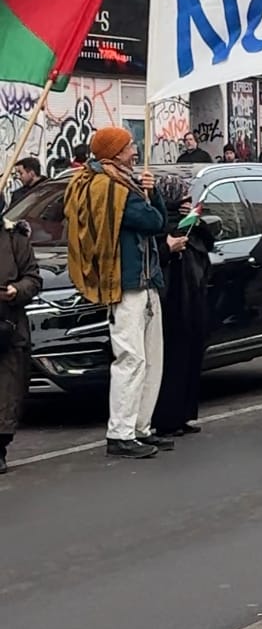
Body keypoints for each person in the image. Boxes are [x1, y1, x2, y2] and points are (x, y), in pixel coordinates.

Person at [64, 127, 171, 458]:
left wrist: (152, 195)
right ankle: (121, 432)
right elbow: (154, 222)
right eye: (129, 147)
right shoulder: (110, 188)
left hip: (143, 281)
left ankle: (140, 427)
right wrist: (152, 198)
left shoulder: (122, 183)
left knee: (151, 358)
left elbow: (157, 222)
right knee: (131, 359)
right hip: (125, 285)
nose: (135, 151)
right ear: (113, 153)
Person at [151, 194, 216, 439]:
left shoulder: (191, 224)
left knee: (191, 358)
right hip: (172, 300)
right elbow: (158, 255)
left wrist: (196, 221)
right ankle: (167, 418)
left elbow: (208, 243)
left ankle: (184, 414)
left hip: (193, 298)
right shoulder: (159, 225)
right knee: (172, 362)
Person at [0, 187, 39, 474]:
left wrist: (17, 290)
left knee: (6, 392)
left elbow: (33, 278)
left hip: (7, 328)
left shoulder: (15, 237)